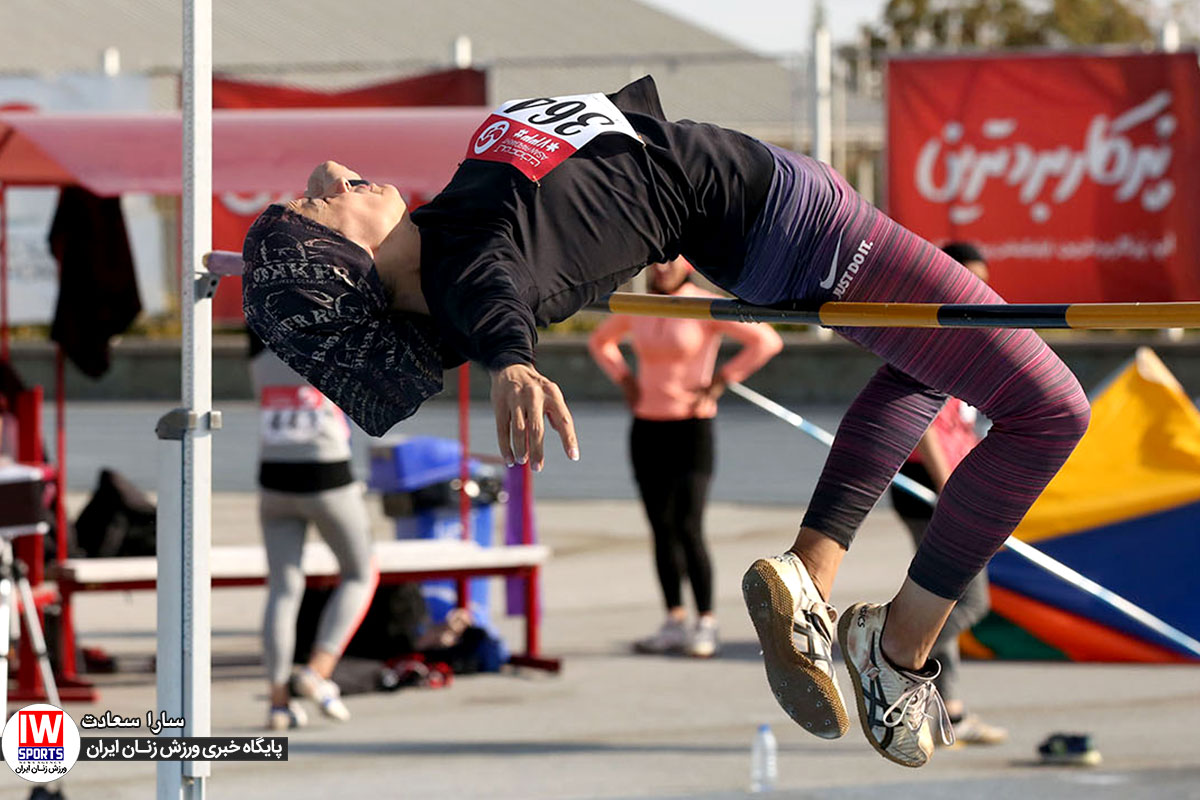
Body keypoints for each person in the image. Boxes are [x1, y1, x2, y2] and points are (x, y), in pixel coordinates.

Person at [241, 76, 1089, 767]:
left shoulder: (454, 221)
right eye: (318, 206)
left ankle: (811, 575)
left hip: (782, 224)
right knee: (1050, 412)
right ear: (345, 270)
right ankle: (900, 652)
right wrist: (514, 362)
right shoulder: (472, 261)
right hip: (807, 231)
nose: (326, 172)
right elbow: (491, 292)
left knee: (925, 364)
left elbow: (480, 278)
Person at [588, 257, 782, 657]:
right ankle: (674, 619)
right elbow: (599, 341)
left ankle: (706, 621)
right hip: (647, 427)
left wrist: (722, 380)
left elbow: (766, 341)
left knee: (689, 524)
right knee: (660, 526)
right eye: (655, 265)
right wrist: (624, 377)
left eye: (669, 264)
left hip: (691, 428)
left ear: (687, 268)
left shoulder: (700, 303)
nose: (660, 271)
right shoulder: (639, 305)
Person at [885, 242, 1007, 747]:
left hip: (955, 487)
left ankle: (948, 709)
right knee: (969, 600)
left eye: (982, 278)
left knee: (943, 596)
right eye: (967, 276)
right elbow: (926, 428)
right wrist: (950, 489)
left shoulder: (970, 335)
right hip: (928, 489)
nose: (977, 288)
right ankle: (890, 649)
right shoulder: (931, 334)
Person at [249, 331, 379, 730]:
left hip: (274, 476)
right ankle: (317, 671)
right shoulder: (331, 333)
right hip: (327, 474)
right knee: (361, 573)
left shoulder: (257, 337)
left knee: (283, 588)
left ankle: (277, 702)